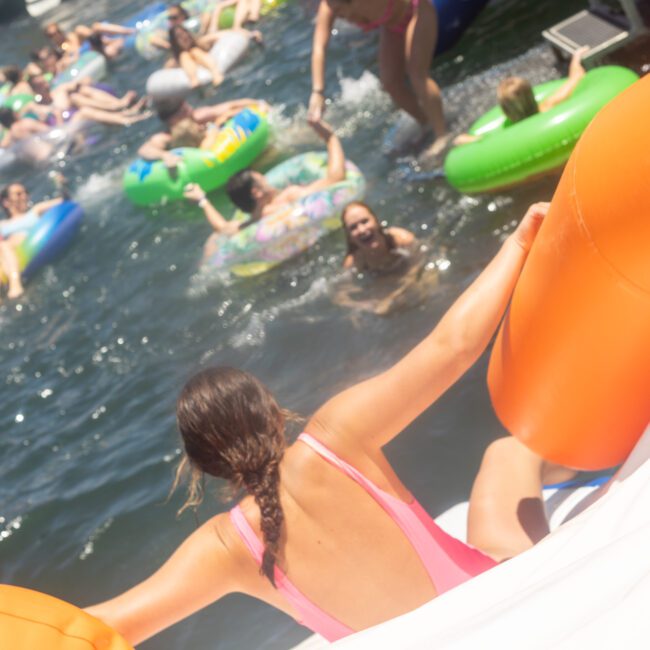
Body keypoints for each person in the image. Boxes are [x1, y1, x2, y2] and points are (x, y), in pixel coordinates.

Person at [84, 202, 575, 645]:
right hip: (495, 609)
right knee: (505, 453)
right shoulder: (335, 435)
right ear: (273, 412)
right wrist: (518, 241)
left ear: (203, 465)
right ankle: (585, 460)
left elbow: (105, 626)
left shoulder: (224, 547)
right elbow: (455, 345)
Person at [309, 0, 450, 159]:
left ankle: (441, 134)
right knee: (390, 83)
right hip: (391, 27)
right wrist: (318, 92)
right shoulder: (329, 5)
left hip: (418, 11)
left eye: (340, 11)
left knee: (417, 74)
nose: (339, 16)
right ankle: (425, 122)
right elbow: (319, 48)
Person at [184, 118, 346, 255]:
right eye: (261, 179)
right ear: (257, 192)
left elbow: (222, 227)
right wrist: (330, 138)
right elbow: (336, 178)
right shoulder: (289, 198)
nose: (267, 179)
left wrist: (202, 199)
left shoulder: (247, 226)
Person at [453, 47, 588, 146]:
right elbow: (576, 78)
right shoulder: (549, 106)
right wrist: (576, 58)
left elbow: (460, 140)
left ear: (506, 111)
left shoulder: (504, 134)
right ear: (532, 96)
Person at [138, 97, 267, 168]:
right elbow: (144, 150)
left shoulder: (199, 117)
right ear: (172, 120)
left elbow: (232, 105)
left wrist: (259, 104)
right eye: (184, 110)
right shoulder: (166, 137)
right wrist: (165, 156)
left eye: (187, 106)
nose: (190, 110)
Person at [0, 182, 65, 299]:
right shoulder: (2, 225)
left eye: (25, 193)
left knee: (5, 244)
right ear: (6, 202)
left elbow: (63, 201)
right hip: (5, 257)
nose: (24, 196)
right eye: (18, 194)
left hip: (24, 243)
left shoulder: (35, 211)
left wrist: (61, 184)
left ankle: (15, 285)